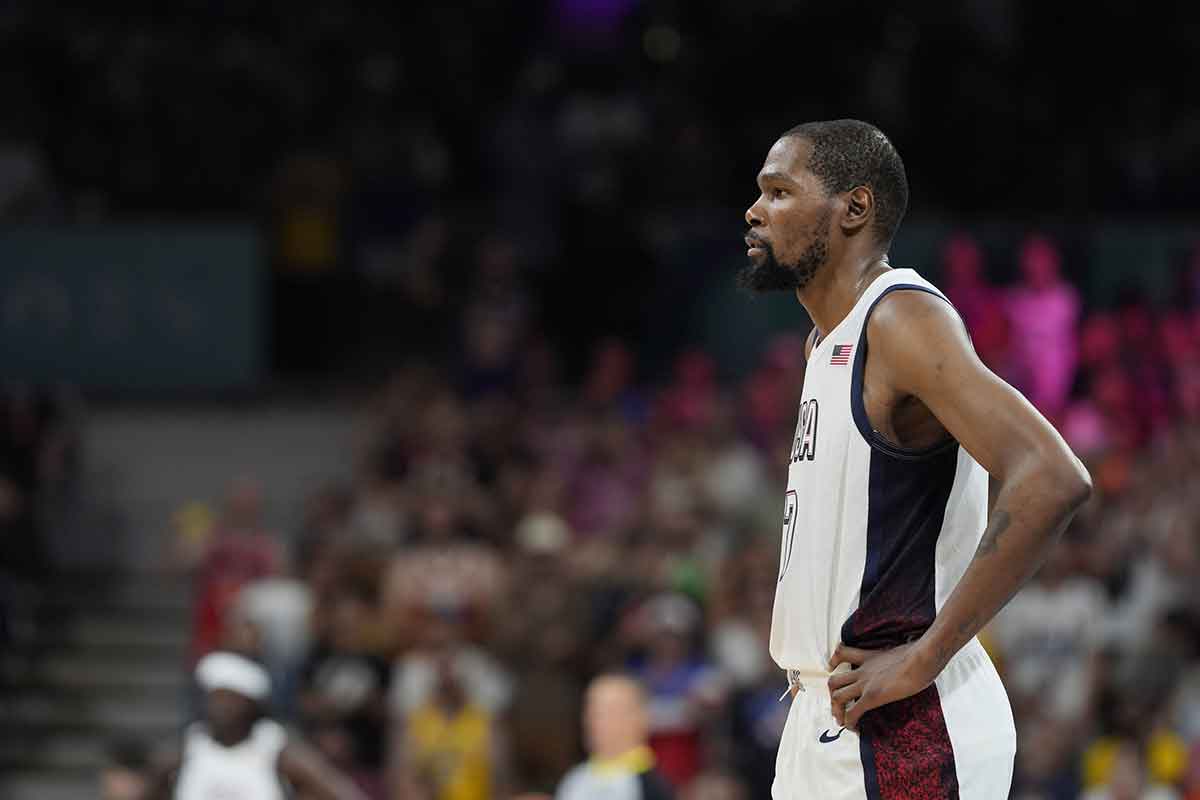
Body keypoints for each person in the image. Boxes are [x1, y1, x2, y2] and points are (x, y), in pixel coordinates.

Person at [738, 119, 1092, 799]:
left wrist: (926, 656)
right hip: (824, 716)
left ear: (855, 208)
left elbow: (1052, 476)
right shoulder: (824, 344)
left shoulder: (899, 320)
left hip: (907, 730)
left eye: (780, 192)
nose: (755, 211)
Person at [143, 650, 367, 800]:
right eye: (216, 698)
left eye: (231, 700)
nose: (222, 708)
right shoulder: (184, 750)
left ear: (251, 705)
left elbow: (341, 792)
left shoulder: (276, 749)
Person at [555, 674, 674, 800]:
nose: (595, 720)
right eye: (592, 709)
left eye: (611, 711)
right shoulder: (574, 779)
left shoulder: (651, 787)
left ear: (641, 718)